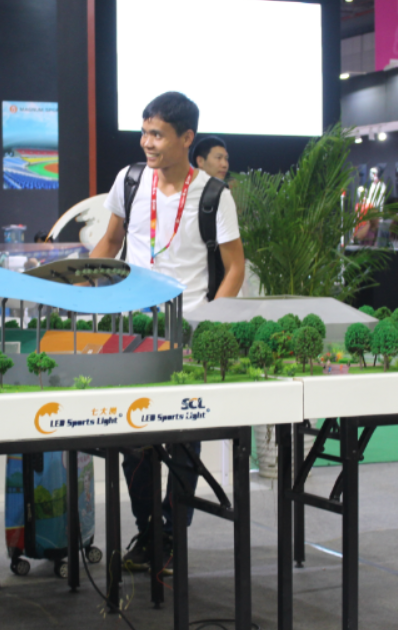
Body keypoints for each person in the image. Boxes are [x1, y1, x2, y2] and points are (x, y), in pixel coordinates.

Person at [90, 92, 245, 575]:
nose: (147, 143)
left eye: (157, 134)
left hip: (187, 332)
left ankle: (173, 532)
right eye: (144, 132)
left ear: (186, 138)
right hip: (131, 330)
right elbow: (111, 242)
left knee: (183, 439)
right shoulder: (130, 180)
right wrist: (79, 290)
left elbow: (235, 268)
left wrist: (209, 325)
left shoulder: (214, 195)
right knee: (131, 437)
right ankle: (150, 531)